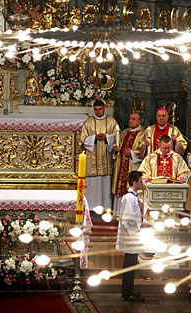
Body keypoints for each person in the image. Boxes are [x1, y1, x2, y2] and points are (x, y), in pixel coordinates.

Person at [81, 100, 119, 209]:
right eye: (96, 109)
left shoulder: (111, 121)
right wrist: (94, 138)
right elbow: (83, 139)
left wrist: (107, 137)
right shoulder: (88, 122)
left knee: (106, 183)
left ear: (104, 108)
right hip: (92, 159)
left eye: (100, 109)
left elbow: (117, 136)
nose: (98, 111)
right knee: (93, 184)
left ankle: (106, 207)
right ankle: (90, 207)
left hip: (106, 156)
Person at [115, 171, 145, 302]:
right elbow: (127, 219)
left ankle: (129, 290)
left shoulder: (133, 198)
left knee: (132, 265)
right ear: (134, 183)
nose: (142, 184)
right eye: (140, 181)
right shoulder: (129, 198)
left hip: (133, 236)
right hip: (130, 237)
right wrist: (136, 234)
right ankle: (127, 293)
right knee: (129, 265)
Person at [112, 113, 145, 215]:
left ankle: (130, 214)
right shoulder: (124, 132)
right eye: (130, 119)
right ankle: (118, 213)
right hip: (121, 164)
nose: (130, 121)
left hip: (133, 166)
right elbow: (119, 146)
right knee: (120, 187)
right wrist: (117, 150)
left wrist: (131, 153)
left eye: (133, 119)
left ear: (139, 121)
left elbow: (144, 151)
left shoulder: (143, 134)